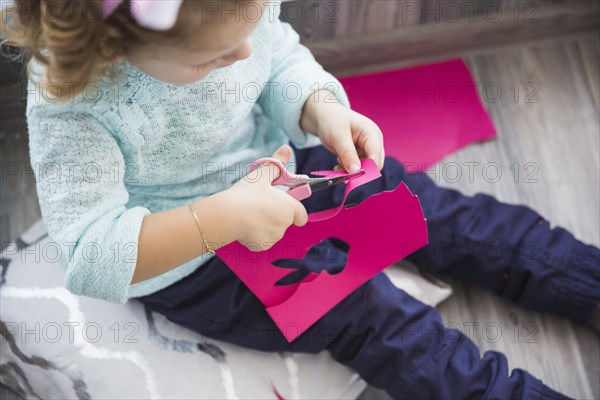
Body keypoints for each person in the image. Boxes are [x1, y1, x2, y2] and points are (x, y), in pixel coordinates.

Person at [2, 0, 598, 398]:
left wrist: (321, 107)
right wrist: (221, 219)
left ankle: (585, 282)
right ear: (112, 50)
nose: (241, 58)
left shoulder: (228, 14)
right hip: (200, 258)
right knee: (375, 316)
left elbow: (277, 54)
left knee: (441, 215)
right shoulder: (74, 108)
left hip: (286, 171)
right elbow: (90, 253)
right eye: (213, 57)